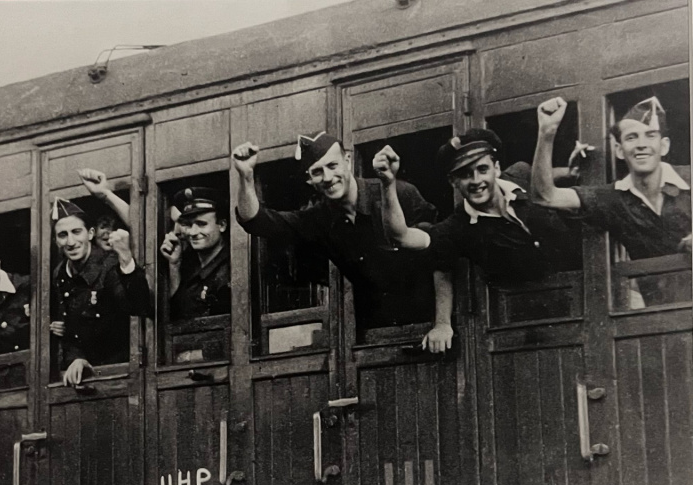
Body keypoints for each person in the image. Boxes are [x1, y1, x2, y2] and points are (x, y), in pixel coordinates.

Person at [233, 132, 454, 352]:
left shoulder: (399, 194)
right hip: (378, 336)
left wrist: (443, 323)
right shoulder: (318, 219)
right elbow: (256, 221)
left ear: (347, 161)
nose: (328, 177)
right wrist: (246, 177)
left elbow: (443, 256)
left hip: (436, 330)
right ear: (310, 179)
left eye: (332, 165)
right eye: (317, 172)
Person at [532, 96, 691, 305]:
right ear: (619, 150)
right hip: (663, 314)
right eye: (632, 137)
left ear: (664, 146)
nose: (641, 145)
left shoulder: (688, 179)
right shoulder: (614, 198)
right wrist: (547, 132)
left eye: (650, 135)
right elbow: (545, 196)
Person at [377, 128, 583, 284]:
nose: (476, 180)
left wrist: (572, 172)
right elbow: (401, 236)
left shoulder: (522, 174)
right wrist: (388, 183)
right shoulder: (457, 228)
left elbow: (551, 179)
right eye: (464, 174)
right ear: (453, 182)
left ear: (497, 168)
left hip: (588, 279)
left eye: (482, 169)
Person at [49, 197, 152, 385]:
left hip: (120, 372)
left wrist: (127, 260)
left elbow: (139, 307)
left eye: (76, 232)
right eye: (62, 235)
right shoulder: (60, 274)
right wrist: (76, 359)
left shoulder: (109, 265)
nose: (70, 241)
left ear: (90, 233)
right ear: (56, 240)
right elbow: (71, 330)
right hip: (85, 371)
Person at [159, 187, 231, 319]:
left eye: (201, 224)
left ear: (222, 225)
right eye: (189, 225)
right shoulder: (189, 265)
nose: (192, 232)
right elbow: (176, 315)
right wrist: (174, 264)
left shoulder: (231, 269)